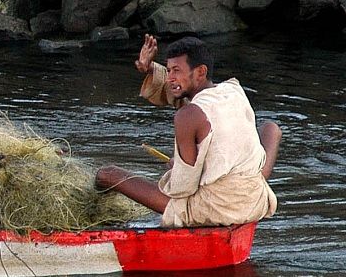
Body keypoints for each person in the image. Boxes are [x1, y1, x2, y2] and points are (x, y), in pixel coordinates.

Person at [96, 35, 281, 227]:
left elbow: (182, 189)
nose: (170, 78)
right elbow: (187, 100)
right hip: (255, 199)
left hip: (219, 209)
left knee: (107, 174)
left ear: (200, 71)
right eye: (168, 71)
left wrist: (176, 170)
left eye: (176, 71)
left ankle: (95, 212)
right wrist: (150, 69)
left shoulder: (187, 116)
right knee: (270, 128)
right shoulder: (233, 90)